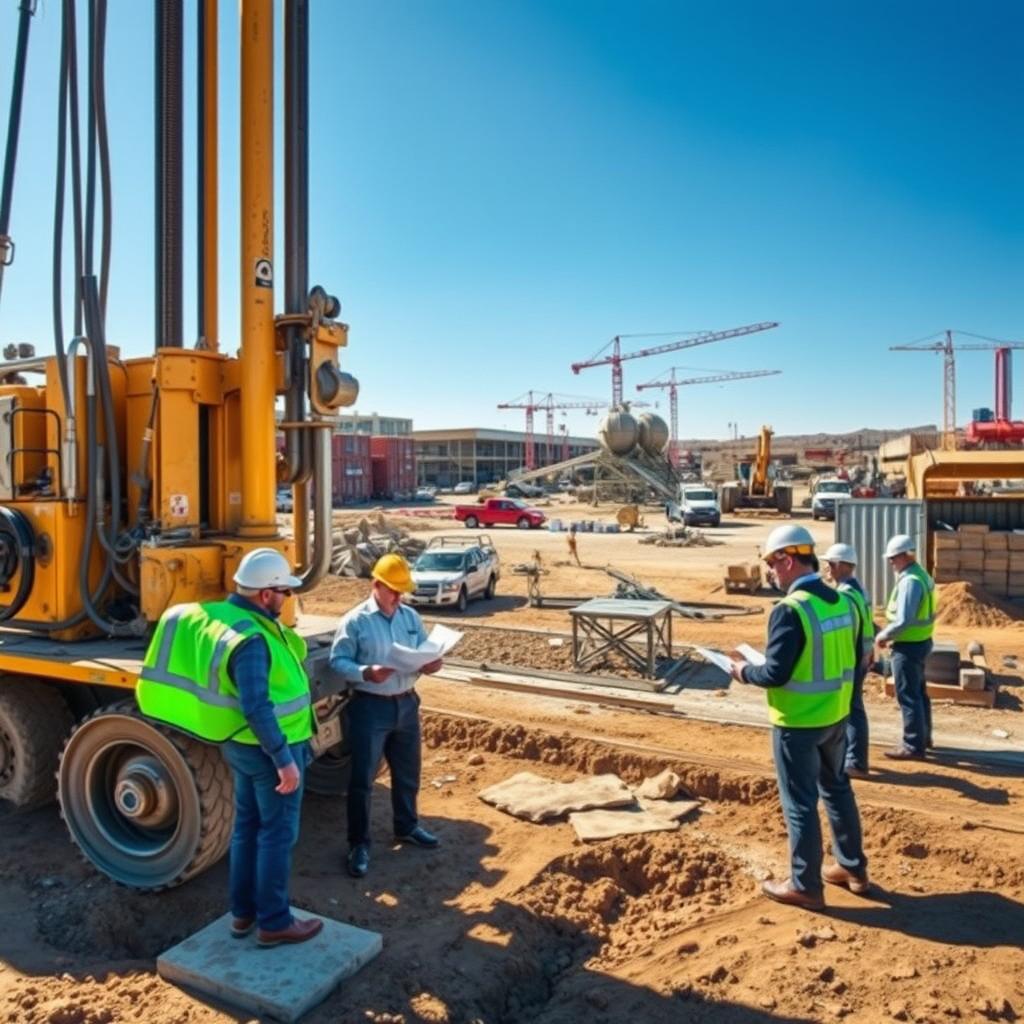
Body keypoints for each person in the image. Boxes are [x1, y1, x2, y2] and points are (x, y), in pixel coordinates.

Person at [137, 548, 322, 947]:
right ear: (264, 594)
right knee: (276, 835)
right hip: (269, 750)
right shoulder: (252, 639)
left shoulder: (229, 617)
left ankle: (242, 916)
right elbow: (256, 705)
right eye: (282, 592)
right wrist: (284, 761)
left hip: (240, 746)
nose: (286, 599)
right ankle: (274, 921)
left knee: (247, 829)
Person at [729, 524, 869, 910]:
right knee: (837, 789)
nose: (771, 574)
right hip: (836, 717)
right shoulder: (845, 602)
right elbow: (856, 660)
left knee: (800, 803)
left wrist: (742, 671)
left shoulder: (790, 610)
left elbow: (776, 673)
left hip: (798, 724)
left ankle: (805, 884)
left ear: (787, 560)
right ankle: (853, 868)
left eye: (772, 566)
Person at [330, 553, 443, 878]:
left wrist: (431, 663)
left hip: (406, 703)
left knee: (408, 773)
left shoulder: (409, 617)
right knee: (362, 780)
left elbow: (424, 649)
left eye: (401, 590)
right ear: (376, 585)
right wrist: (366, 672)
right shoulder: (355, 621)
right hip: (370, 706)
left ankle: (406, 826)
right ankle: (359, 844)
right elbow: (339, 662)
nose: (398, 596)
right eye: (393, 590)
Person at [875, 533, 936, 761]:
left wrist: (883, 635)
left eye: (893, 558)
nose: (890, 562)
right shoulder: (921, 575)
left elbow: (904, 619)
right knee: (919, 693)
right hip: (920, 642)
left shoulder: (910, 581)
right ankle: (923, 737)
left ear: (904, 556)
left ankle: (912, 745)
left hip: (908, 646)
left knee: (908, 695)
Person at [823, 542, 875, 778]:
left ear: (842, 566)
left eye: (830, 564)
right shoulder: (858, 590)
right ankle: (853, 757)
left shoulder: (843, 596)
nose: (827, 569)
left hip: (851, 660)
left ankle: (856, 762)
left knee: (852, 711)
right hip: (860, 656)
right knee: (853, 709)